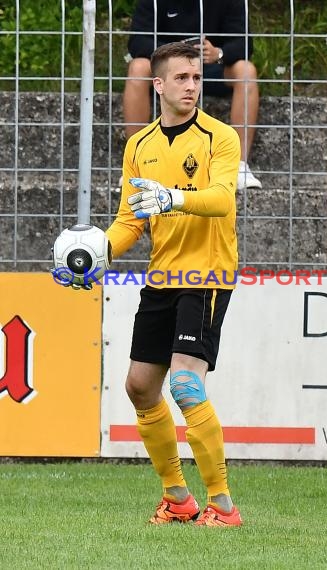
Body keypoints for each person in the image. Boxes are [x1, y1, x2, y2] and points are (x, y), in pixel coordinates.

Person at [106, 41, 242, 526]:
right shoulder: (138, 146)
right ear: (158, 85)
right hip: (163, 277)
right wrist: (96, 254)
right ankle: (178, 498)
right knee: (140, 387)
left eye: (196, 78)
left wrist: (173, 198)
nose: (191, 86)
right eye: (181, 78)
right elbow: (129, 221)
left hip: (207, 273)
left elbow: (222, 200)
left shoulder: (220, 137)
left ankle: (223, 506)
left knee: (185, 383)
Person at [122, 0, 261, 190]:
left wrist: (219, 53)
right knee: (138, 67)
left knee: (246, 71)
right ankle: (137, 164)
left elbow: (245, 42)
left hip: (212, 69)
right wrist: (171, 53)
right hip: (168, 69)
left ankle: (238, 166)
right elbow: (137, 40)